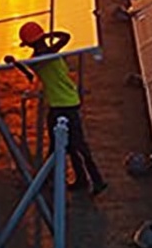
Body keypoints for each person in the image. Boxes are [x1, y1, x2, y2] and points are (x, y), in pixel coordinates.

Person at [17, 21, 106, 196]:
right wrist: (46, 36)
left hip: (63, 105)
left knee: (73, 145)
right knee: (72, 146)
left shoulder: (41, 57)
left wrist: (42, 38)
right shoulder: (47, 55)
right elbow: (64, 37)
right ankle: (82, 179)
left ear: (28, 44)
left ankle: (97, 180)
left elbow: (63, 39)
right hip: (65, 103)